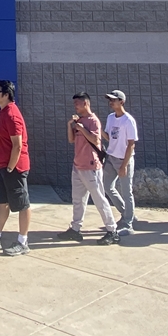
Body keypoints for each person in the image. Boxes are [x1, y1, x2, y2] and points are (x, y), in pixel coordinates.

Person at [57, 92, 120, 245]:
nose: (75, 107)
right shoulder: (80, 121)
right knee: (78, 199)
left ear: (85, 103)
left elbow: (96, 140)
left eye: (76, 103)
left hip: (91, 167)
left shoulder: (93, 121)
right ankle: (75, 228)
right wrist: (70, 126)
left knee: (99, 199)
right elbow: (72, 140)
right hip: (78, 166)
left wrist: (82, 128)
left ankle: (112, 231)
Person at [0, 80, 32, 256]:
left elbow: (17, 145)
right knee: (3, 203)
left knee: (22, 205)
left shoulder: (11, 115)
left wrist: (10, 168)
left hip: (15, 168)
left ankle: (23, 242)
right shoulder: (3, 113)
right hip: (4, 167)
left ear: (6, 94)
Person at [101, 90, 138, 236]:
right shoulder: (110, 118)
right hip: (112, 158)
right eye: (109, 100)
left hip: (125, 160)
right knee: (106, 186)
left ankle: (128, 225)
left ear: (121, 102)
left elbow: (131, 144)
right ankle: (127, 213)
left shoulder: (128, 120)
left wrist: (124, 166)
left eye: (113, 100)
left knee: (126, 191)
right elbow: (110, 138)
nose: (111, 102)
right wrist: (97, 129)